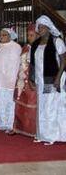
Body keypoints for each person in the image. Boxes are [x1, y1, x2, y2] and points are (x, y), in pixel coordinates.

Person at [30, 15, 66, 145]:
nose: (41, 29)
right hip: (40, 80)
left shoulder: (56, 41)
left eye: (44, 27)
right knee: (41, 107)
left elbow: (63, 61)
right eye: (39, 27)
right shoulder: (35, 44)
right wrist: (31, 79)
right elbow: (33, 64)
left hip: (52, 79)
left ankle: (51, 136)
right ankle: (41, 134)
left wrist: (58, 78)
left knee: (50, 106)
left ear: (49, 28)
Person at [0, 28, 21, 133]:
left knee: (9, 103)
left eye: (4, 35)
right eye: (1, 35)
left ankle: (10, 125)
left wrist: (11, 78)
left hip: (9, 80)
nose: (2, 37)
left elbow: (15, 64)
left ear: (10, 36)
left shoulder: (15, 47)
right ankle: (1, 123)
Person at [11, 24, 39, 137]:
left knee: (31, 106)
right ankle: (17, 128)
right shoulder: (26, 47)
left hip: (32, 80)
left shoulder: (40, 48)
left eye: (32, 35)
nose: (29, 37)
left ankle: (32, 131)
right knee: (19, 104)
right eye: (28, 35)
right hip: (22, 79)